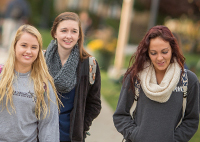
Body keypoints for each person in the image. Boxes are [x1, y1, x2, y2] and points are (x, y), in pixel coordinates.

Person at [113, 25, 199, 142]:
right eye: (153, 53)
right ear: (147, 53)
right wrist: (136, 135)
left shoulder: (189, 80)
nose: (159, 58)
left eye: (164, 52)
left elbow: (191, 120)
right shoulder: (135, 77)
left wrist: (174, 139)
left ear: (173, 49)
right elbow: (120, 115)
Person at [44, 12, 101, 142]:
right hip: (40, 134)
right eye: (64, 30)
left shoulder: (89, 64)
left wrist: (81, 128)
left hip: (70, 136)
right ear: (54, 33)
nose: (69, 36)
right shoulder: (41, 61)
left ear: (79, 35)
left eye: (74, 31)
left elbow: (95, 104)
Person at [0, 24, 60, 141]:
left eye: (34, 47)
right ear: (14, 46)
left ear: (39, 51)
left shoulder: (43, 84)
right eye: (24, 45)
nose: (28, 51)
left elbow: (49, 125)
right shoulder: (1, 75)